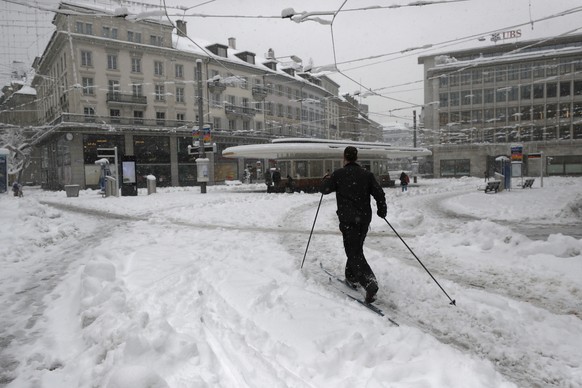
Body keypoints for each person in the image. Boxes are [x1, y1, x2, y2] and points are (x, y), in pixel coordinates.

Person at [320, 146, 387, 304]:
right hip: (363, 220)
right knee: (356, 249)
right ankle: (351, 277)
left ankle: (369, 283)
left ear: (345, 157)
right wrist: (381, 209)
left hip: (348, 220)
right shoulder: (366, 175)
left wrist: (325, 179)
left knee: (353, 251)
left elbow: (324, 189)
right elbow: (379, 193)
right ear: (356, 157)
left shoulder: (338, 175)